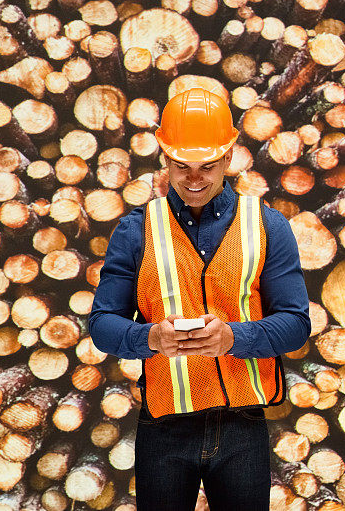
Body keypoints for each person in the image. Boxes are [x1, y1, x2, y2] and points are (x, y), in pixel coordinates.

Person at [89, 87, 310, 511]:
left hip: (242, 425)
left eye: (208, 166)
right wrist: (151, 338)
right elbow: (102, 324)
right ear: (164, 157)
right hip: (164, 427)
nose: (194, 179)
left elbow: (296, 323)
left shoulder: (267, 225)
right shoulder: (136, 230)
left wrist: (233, 339)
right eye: (181, 166)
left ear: (229, 157)